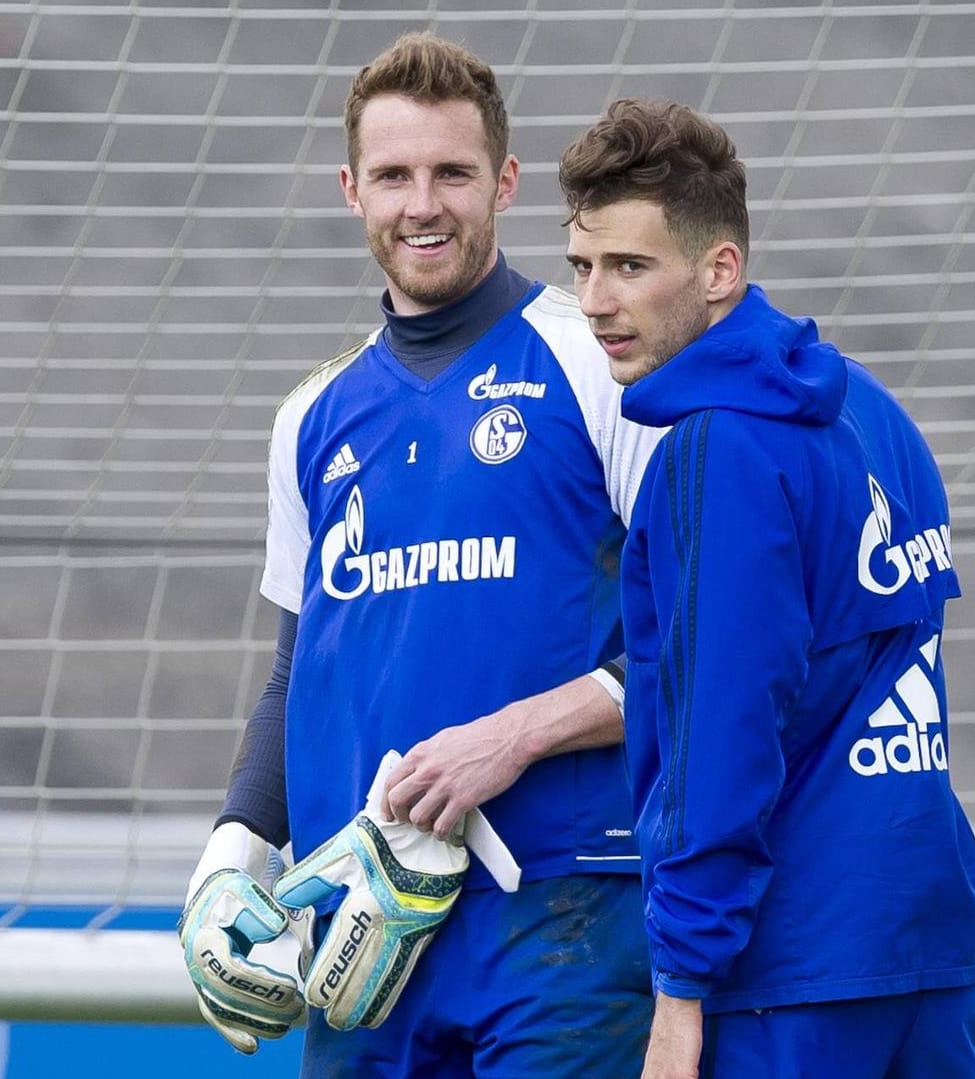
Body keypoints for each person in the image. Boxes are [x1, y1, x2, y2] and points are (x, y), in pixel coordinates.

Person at [179, 32, 662, 1077]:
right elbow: (293, 671)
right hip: (365, 937)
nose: (423, 204)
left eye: (453, 172)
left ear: (507, 182)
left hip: (565, 916)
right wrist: (228, 854)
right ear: (352, 189)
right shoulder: (309, 418)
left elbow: (706, 642)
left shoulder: (599, 366)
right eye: (395, 175)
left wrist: (517, 736)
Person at [558, 100, 975, 1079]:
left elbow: (724, 731)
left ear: (720, 271)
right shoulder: (876, 414)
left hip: (787, 967)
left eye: (631, 267)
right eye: (582, 266)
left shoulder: (718, 452)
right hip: (931, 940)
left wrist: (679, 989)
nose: (595, 302)